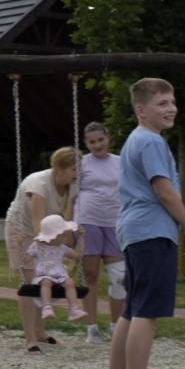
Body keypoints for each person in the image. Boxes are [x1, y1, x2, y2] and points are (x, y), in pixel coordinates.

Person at [95, 78, 185, 369]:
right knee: (146, 312)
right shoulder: (151, 141)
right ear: (141, 110)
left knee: (132, 309)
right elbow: (164, 191)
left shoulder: (135, 139)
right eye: (162, 103)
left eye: (172, 102)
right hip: (152, 231)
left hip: (134, 230)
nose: (171, 109)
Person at [3, 147, 78, 354]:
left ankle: (39, 330)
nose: (78, 173)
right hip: (22, 231)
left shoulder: (72, 186)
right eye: (74, 169)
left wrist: (69, 250)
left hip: (49, 233)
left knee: (44, 278)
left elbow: (66, 222)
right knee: (31, 283)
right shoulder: (39, 185)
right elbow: (38, 227)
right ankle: (31, 339)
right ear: (60, 168)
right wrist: (52, 256)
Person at [77, 122, 125, 345]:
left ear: (108, 138)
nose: (97, 145)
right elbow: (71, 193)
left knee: (119, 276)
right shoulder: (81, 163)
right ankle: (92, 329)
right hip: (88, 220)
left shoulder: (120, 162)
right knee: (90, 274)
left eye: (100, 140)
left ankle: (116, 326)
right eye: (92, 142)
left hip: (114, 221)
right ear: (86, 144)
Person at [28, 215, 86, 321]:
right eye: (63, 235)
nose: (65, 237)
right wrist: (18, 244)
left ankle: (73, 309)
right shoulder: (37, 246)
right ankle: (47, 307)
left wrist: (81, 238)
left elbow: (77, 256)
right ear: (54, 236)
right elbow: (25, 259)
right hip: (44, 275)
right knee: (46, 282)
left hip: (59, 275)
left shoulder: (62, 248)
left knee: (70, 282)